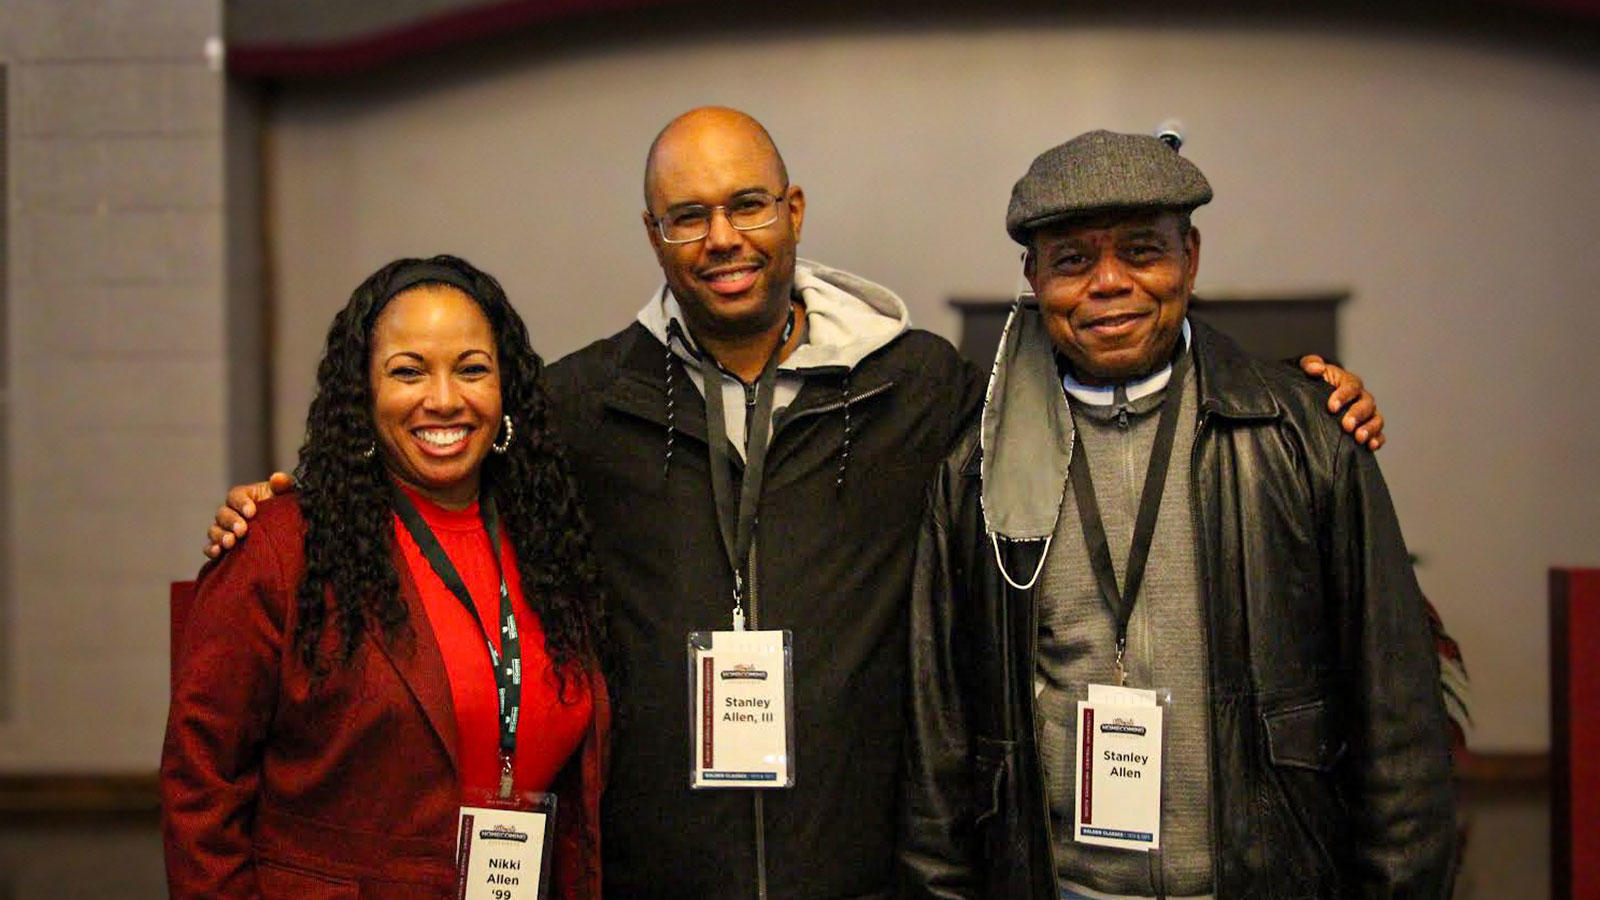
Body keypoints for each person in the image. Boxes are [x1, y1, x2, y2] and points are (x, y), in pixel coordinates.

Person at [203, 110, 1387, 900]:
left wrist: (1293, 397)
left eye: (748, 205)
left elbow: (1089, 374)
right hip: (660, 877)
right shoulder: (576, 403)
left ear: (795, 210)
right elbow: (441, 470)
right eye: (688, 217)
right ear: (655, 235)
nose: (722, 238)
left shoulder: (920, 386)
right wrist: (293, 497)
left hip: (859, 871)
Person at [900, 130, 1456, 899]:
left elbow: (1399, 724)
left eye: (1141, 252)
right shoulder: (974, 470)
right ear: (1033, 276)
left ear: (1189, 258)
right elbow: (939, 736)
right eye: (1073, 261)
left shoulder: (1301, 437)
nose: (1109, 284)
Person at [163, 256, 609, 899]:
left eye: (472, 369)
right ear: (364, 394)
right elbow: (200, 787)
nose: (444, 399)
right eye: (408, 372)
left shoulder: (550, 538)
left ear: (505, 386)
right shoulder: (284, 547)